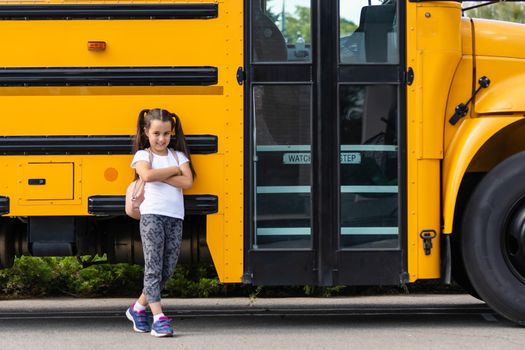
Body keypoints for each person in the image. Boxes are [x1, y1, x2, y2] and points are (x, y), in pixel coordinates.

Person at [125, 108, 196, 337]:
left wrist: (163, 172)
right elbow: (145, 176)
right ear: (146, 132)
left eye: (166, 134)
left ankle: (137, 308)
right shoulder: (143, 156)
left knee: (168, 269)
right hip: (152, 215)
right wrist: (174, 171)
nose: (161, 139)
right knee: (154, 267)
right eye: (156, 133)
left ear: (172, 133)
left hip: (175, 217)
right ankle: (158, 318)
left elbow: (188, 182)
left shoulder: (179, 157)